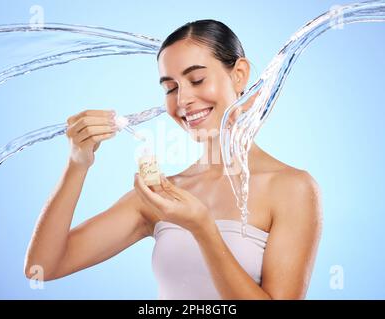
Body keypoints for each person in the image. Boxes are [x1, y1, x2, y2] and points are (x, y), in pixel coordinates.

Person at [24, 19, 322, 300]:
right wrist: (78, 162)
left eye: (197, 79)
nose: (182, 100)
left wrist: (203, 229)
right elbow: (44, 267)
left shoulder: (292, 189)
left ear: (239, 74)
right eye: (170, 88)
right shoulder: (161, 195)